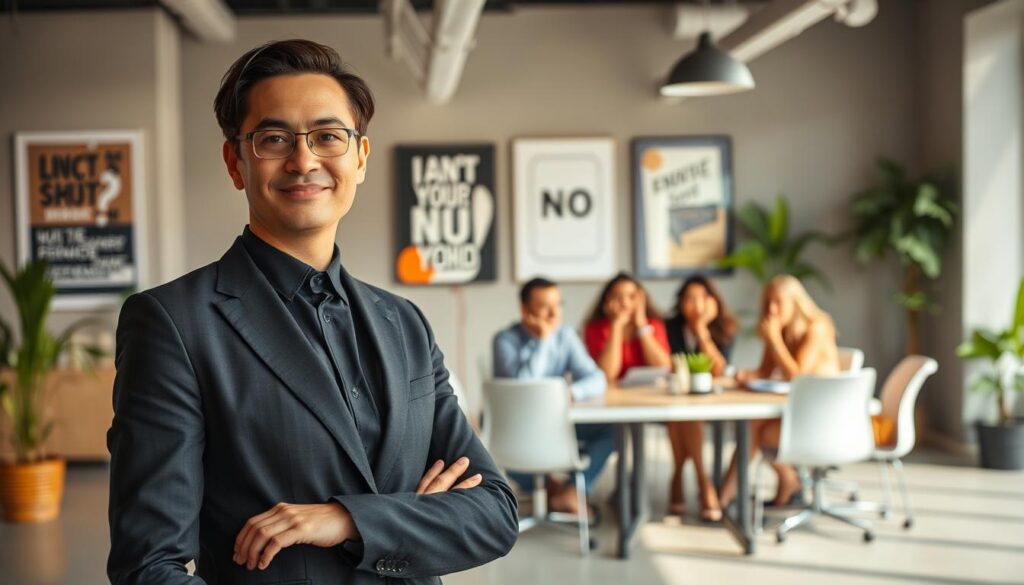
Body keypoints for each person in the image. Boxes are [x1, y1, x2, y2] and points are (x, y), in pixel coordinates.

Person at [107, 40, 517, 585]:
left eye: (328, 137)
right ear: (236, 162)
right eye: (274, 139)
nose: (304, 160)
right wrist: (420, 518)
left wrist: (347, 519)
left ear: (360, 158)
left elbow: (495, 513)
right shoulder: (174, 323)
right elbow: (148, 567)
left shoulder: (405, 323)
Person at [492, 277, 613, 518]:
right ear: (525, 310)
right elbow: (524, 387)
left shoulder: (565, 336)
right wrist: (542, 341)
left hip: (558, 425)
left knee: (611, 431)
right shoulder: (504, 340)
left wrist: (570, 393)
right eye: (545, 306)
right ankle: (550, 488)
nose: (553, 312)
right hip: (518, 429)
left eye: (558, 304)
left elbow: (597, 378)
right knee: (500, 441)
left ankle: (571, 491)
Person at [720, 274, 840, 508]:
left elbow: (797, 377)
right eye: (767, 303)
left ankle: (724, 496)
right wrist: (744, 376)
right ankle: (784, 482)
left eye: (778, 302)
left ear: (796, 302)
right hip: (798, 412)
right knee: (753, 424)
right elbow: (764, 371)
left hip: (822, 420)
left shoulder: (817, 327)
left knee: (754, 429)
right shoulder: (781, 330)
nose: (772, 310)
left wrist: (774, 339)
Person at [663, 275, 737, 522]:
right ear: (680, 302)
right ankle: (703, 481)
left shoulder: (724, 327)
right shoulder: (669, 327)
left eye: (702, 298)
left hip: (709, 402)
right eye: (689, 299)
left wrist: (701, 331)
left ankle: (678, 477)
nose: (696, 305)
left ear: (713, 301)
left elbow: (719, 370)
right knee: (683, 414)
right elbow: (668, 367)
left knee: (688, 415)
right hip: (672, 401)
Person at [584, 272, 672, 382]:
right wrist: (616, 326)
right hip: (612, 395)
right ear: (607, 301)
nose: (625, 303)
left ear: (641, 299)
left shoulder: (654, 325)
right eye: (618, 297)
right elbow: (606, 375)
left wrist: (641, 325)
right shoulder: (595, 329)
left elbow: (663, 368)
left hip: (649, 392)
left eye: (631, 297)